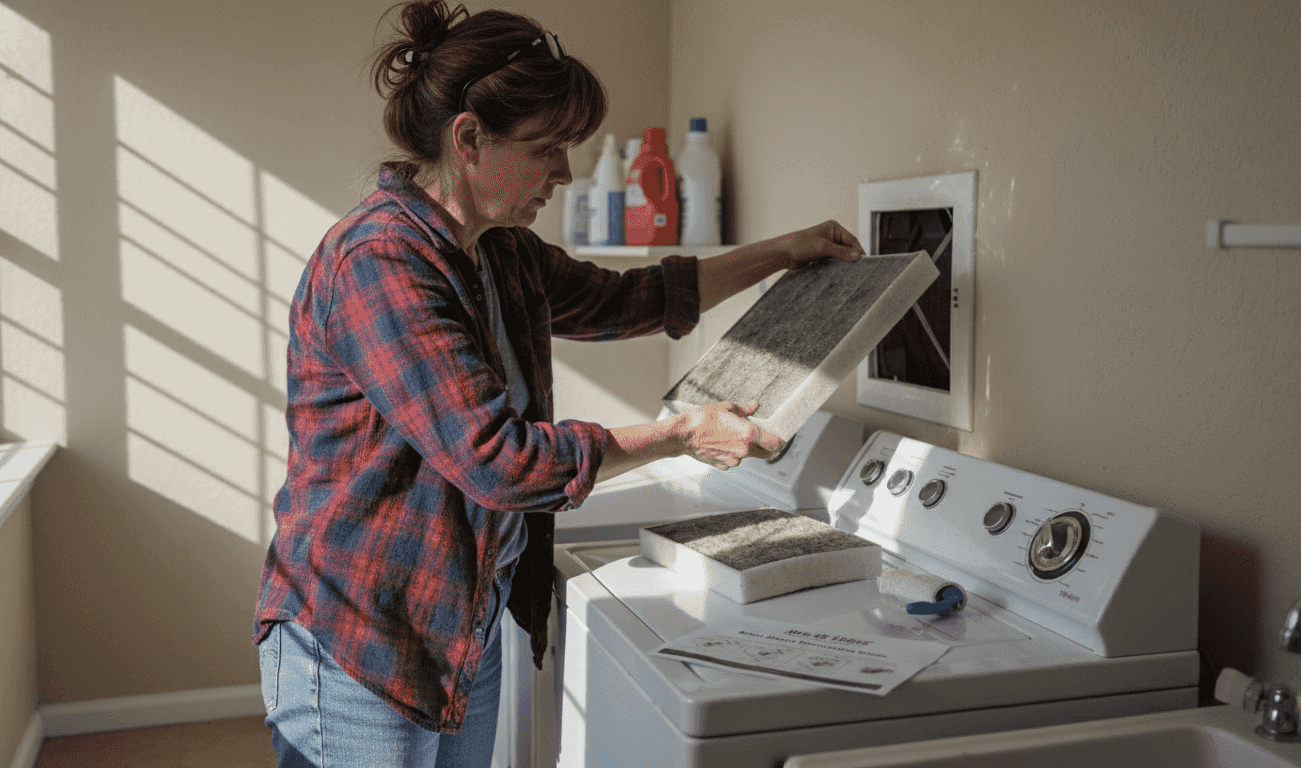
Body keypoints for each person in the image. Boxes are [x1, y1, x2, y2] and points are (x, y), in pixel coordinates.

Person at [252, 2, 866, 766]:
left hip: (458, 621)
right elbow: (498, 461)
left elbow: (629, 298)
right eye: (546, 148)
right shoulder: (379, 263)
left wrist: (781, 252)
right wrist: (680, 434)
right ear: (468, 137)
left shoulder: (500, 252)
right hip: (360, 636)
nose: (566, 173)